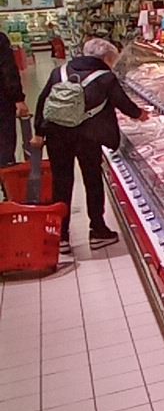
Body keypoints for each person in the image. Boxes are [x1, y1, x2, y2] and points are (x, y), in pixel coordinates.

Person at [33, 37, 148, 253]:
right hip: (87, 137)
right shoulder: (105, 76)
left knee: (61, 183)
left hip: (57, 135)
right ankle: (98, 230)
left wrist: (39, 133)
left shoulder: (60, 71)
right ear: (106, 58)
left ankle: (61, 236)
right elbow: (124, 104)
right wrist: (141, 115)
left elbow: (42, 101)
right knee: (92, 180)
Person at [0, 28, 30, 166]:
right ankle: (5, 169)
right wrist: (18, 99)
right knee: (4, 141)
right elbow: (8, 70)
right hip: (2, 102)